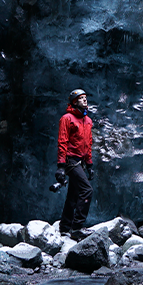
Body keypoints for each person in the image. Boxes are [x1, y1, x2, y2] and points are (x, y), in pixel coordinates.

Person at [56, 88, 94, 240]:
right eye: (81, 98)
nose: (85, 100)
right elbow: (62, 142)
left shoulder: (88, 121)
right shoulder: (67, 118)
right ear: (74, 101)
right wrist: (60, 166)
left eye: (85, 97)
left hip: (80, 161)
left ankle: (65, 227)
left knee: (73, 194)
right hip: (71, 161)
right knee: (87, 190)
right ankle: (77, 227)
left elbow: (88, 144)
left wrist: (89, 165)